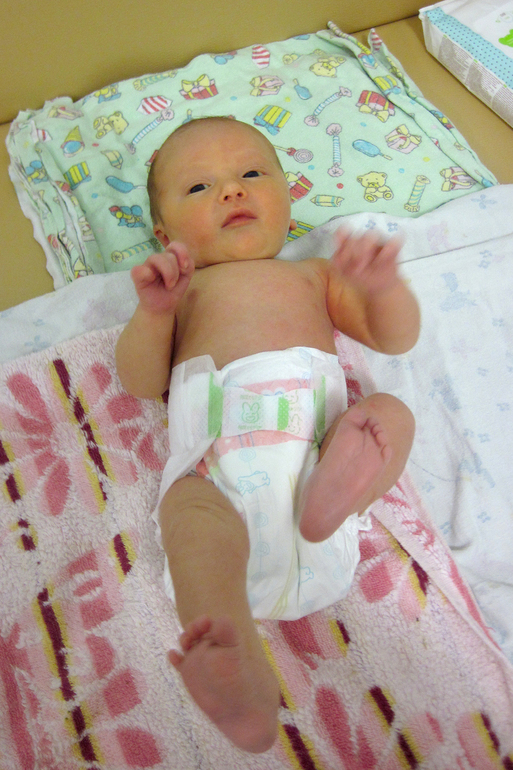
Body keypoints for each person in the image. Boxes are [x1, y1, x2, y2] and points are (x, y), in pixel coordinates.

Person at [115, 116, 419, 753]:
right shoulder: (183, 292)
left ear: (288, 199)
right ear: (164, 235)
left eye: (252, 173)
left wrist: (383, 288)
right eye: (199, 187)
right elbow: (141, 383)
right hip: (216, 471)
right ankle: (227, 644)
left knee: (388, 413)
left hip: (318, 452)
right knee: (188, 510)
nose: (232, 190)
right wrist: (153, 313)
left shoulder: (314, 275)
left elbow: (394, 338)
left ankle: (343, 487)